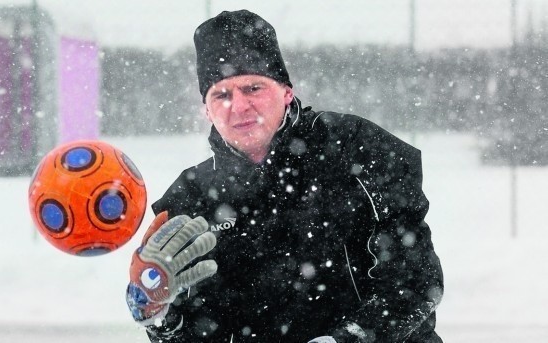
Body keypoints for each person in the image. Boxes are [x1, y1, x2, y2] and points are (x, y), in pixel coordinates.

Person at [126, 9, 444, 343]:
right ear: (207, 109)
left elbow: (415, 284)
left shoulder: (354, 149)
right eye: (221, 94)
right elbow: (200, 333)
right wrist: (161, 318)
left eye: (253, 88)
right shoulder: (191, 198)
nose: (239, 106)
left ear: (286, 91)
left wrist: (346, 340)